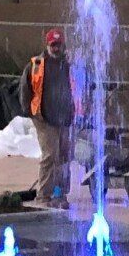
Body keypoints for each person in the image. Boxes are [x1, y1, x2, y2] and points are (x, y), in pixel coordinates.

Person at [21, 28, 75, 208]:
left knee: (65, 157)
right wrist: (30, 111)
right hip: (44, 118)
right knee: (50, 156)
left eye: (58, 45)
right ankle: (43, 196)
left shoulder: (69, 64)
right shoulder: (37, 64)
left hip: (64, 118)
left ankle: (60, 194)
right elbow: (25, 88)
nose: (56, 48)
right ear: (47, 45)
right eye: (53, 45)